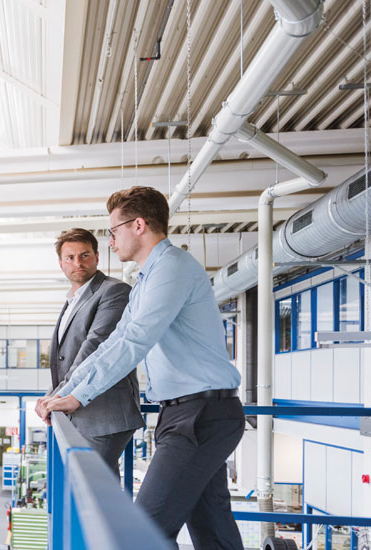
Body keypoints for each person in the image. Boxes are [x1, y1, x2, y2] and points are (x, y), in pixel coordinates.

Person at [38, 186, 244, 550]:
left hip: (201, 416)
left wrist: (78, 396)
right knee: (213, 530)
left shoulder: (172, 269)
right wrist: (65, 394)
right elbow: (114, 343)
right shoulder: (147, 278)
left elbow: (136, 340)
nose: (112, 242)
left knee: (143, 534)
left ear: (138, 225)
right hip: (187, 414)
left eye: (113, 231)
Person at [39, 228, 143, 475]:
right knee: (92, 491)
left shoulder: (113, 291)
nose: (77, 263)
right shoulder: (72, 300)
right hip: (84, 413)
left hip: (104, 415)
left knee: (92, 494)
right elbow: (64, 360)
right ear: (61, 264)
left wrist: (56, 396)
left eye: (84, 255)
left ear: (97, 256)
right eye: (70, 258)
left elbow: (94, 347)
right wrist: (51, 395)